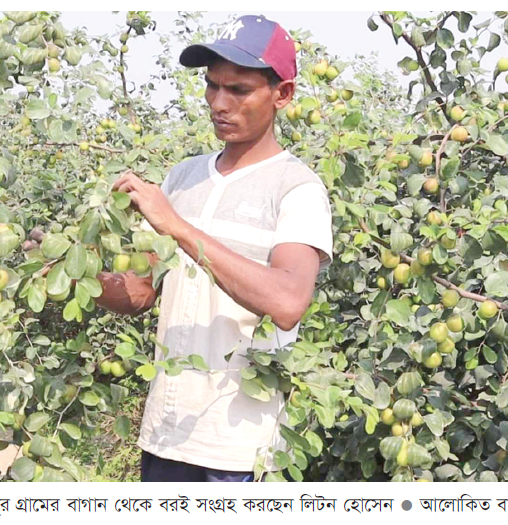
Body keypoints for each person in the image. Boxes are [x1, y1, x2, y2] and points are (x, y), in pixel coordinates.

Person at [95, 14, 333, 482]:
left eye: (239, 90)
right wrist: (67, 275)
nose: (219, 103)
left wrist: (177, 226)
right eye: (211, 86)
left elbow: (287, 303)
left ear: (282, 95)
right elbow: (142, 291)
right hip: (165, 434)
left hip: (239, 448)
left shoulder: (296, 188)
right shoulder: (183, 177)